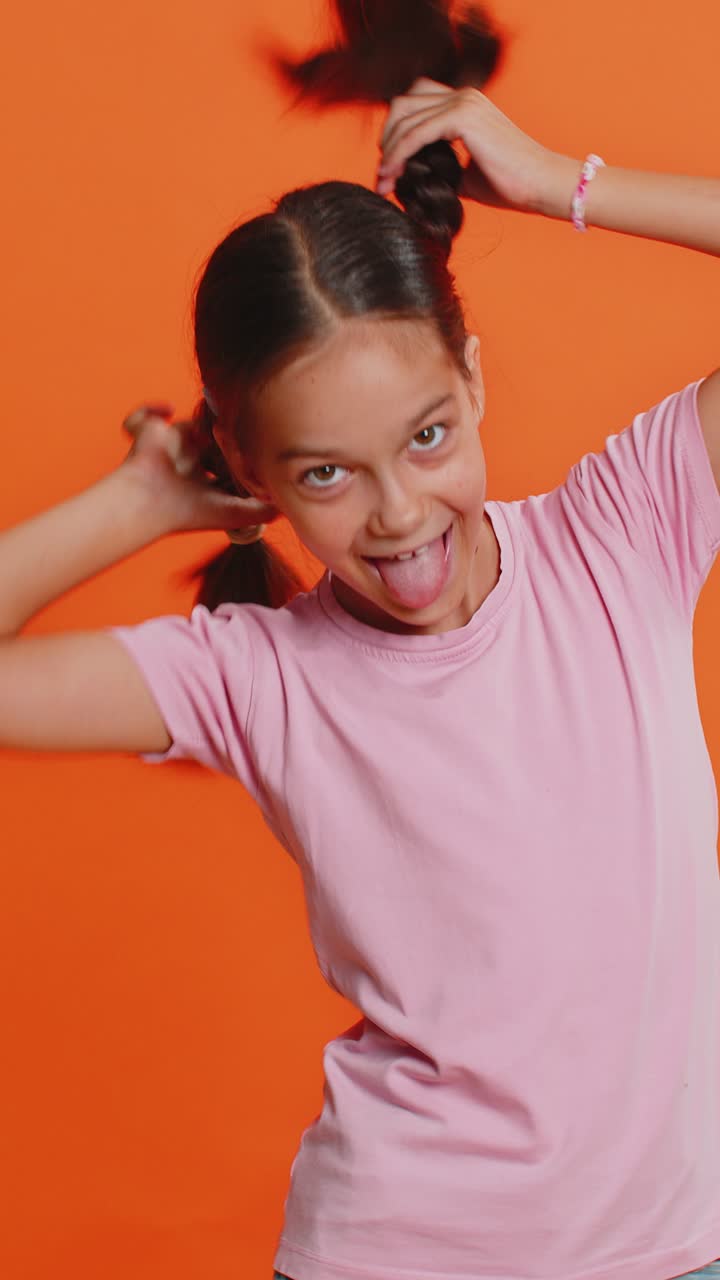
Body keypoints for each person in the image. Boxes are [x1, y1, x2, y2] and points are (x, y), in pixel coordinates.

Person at [3, 2, 720, 1279]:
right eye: (327, 473)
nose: (396, 513)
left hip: (676, 1250)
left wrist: (566, 184)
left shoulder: (625, 530)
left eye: (430, 436)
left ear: (476, 381)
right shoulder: (256, 674)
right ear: (259, 476)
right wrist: (143, 500)